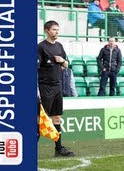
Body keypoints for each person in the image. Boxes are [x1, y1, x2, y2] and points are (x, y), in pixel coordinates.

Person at [38, 20, 75, 157]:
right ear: (47, 31)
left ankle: (59, 149)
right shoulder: (40, 47)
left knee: (57, 118)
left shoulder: (59, 46)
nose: (56, 32)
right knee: (40, 119)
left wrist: (62, 61)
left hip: (57, 86)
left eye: (58, 30)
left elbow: (65, 65)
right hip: (45, 87)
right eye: (54, 30)